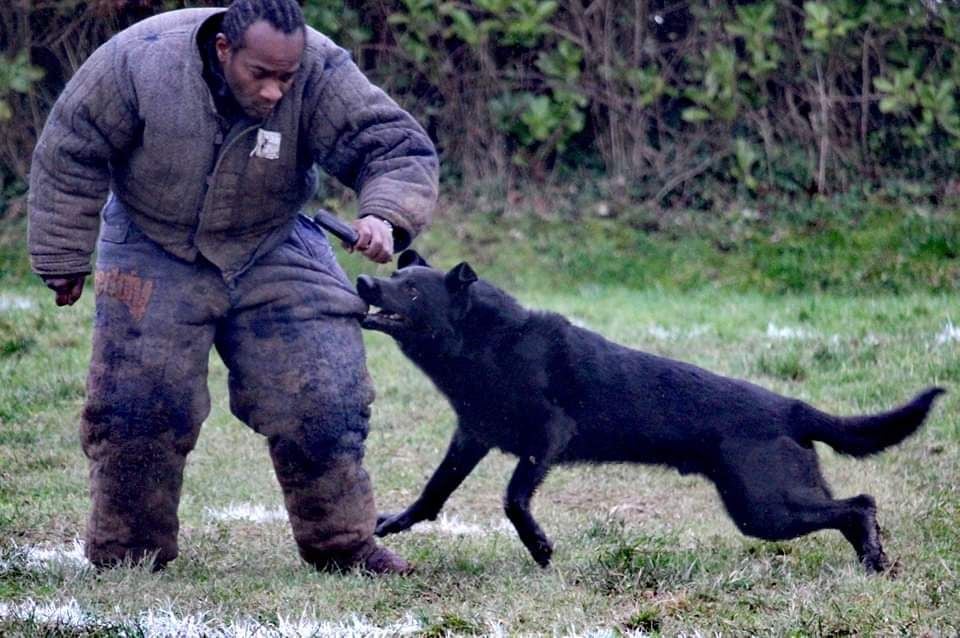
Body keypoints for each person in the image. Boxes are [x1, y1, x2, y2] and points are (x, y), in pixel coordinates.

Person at [27, 0, 438, 574]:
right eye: (260, 75)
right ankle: (128, 555)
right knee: (137, 406)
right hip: (152, 240)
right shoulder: (138, 60)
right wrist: (61, 253)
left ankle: (345, 546)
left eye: (285, 79)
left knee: (325, 395)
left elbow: (393, 145)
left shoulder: (320, 68)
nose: (274, 91)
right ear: (225, 49)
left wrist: (385, 216)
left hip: (273, 239)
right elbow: (73, 147)